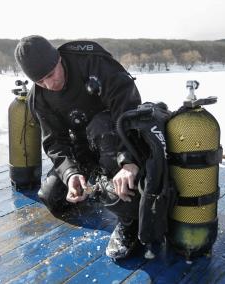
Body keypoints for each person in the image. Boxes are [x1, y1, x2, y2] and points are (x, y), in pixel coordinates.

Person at [14, 35, 142, 259]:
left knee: (101, 126)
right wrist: (70, 173)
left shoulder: (93, 63)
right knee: (52, 197)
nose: (50, 85)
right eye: (40, 81)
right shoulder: (40, 98)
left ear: (59, 59)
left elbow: (128, 109)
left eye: (51, 74)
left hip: (117, 138)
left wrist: (128, 159)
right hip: (82, 146)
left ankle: (129, 220)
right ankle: (96, 180)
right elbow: (55, 142)